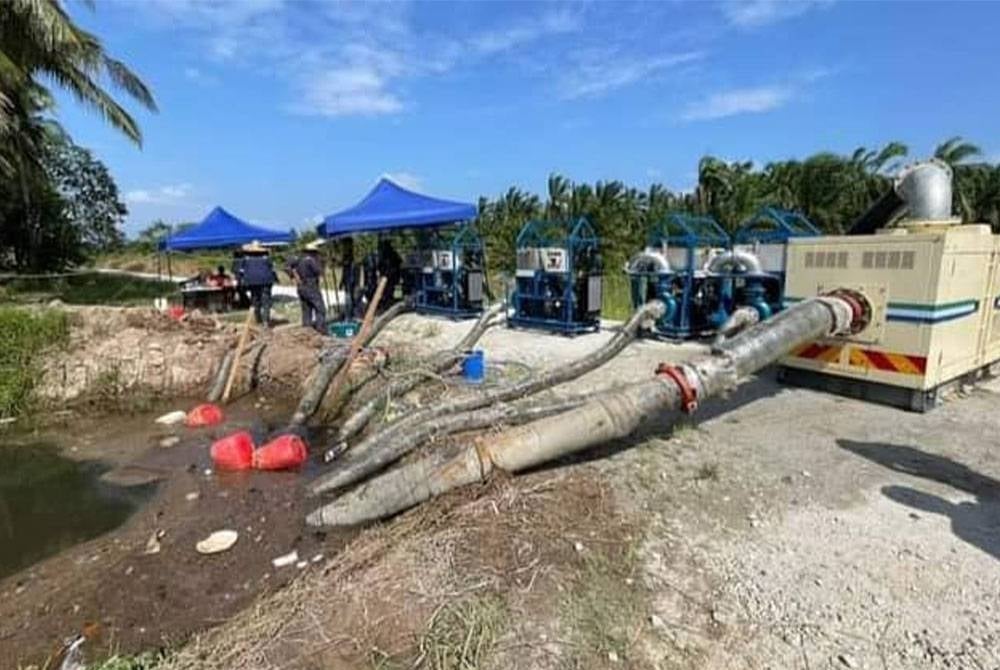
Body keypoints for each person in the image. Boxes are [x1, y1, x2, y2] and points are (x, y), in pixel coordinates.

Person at [290, 239, 328, 334]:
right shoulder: (311, 260)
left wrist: (294, 277)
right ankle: (321, 329)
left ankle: (307, 329)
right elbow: (319, 271)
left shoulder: (299, 259)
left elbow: (288, 267)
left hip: (301, 286)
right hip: (311, 286)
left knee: (306, 309)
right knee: (320, 308)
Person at [238, 241, 276, 326]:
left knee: (255, 301)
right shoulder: (266, 258)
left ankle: (258, 320)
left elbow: (241, 272)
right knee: (266, 301)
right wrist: (274, 280)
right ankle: (266, 321)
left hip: (252, 282)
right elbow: (273, 270)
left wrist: (241, 282)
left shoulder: (246, 258)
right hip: (265, 282)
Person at [339, 237, 361, 319]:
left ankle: (354, 316)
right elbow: (344, 270)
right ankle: (349, 316)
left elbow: (354, 266)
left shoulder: (353, 254)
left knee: (354, 299)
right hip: (348, 280)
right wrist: (342, 281)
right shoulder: (345, 256)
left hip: (353, 279)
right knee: (349, 299)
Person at [377, 238, 403, 309]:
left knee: (389, 291)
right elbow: (379, 265)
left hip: (390, 276)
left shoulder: (388, 254)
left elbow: (399, 261)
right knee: (388, 291)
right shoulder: (385, 254)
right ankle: (388, 303)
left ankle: (389, 303)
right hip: (389, 276)